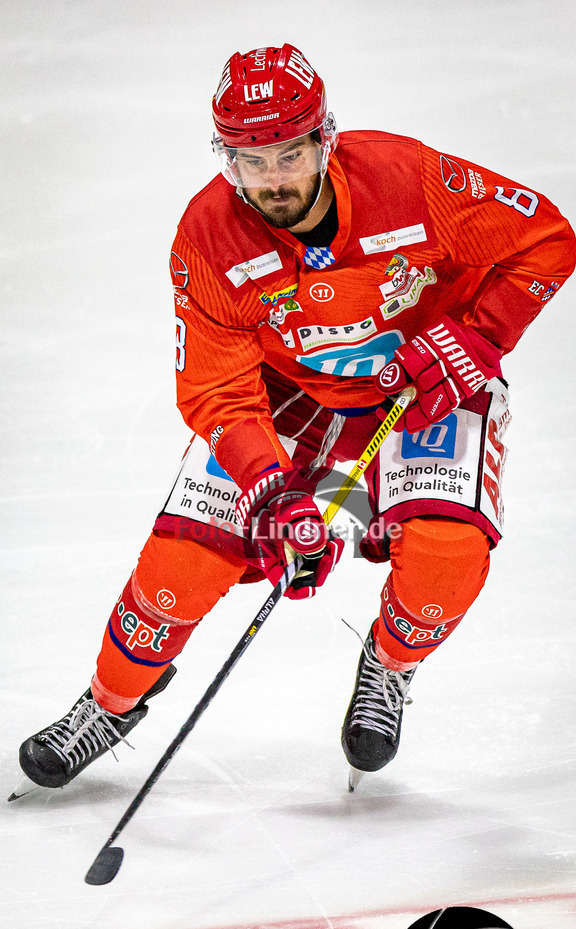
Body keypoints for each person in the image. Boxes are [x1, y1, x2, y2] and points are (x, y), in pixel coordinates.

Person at [15, 44, 576, 796]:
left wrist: (477, 337)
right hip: (286, 393)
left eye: (288, 153)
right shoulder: (209, 237)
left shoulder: (410, 179)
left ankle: (390, 664)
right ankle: (109, 703)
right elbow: (217, 389)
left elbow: (546, 239)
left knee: (448, 558)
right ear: (226, 159)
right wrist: (273, 491)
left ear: (325, 138)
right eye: (251, 161)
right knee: (180, 570)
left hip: (426, 381)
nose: (273, 179)